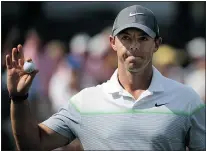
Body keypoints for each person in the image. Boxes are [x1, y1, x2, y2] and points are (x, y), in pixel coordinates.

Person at [6, 5, 205, 151]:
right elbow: (32, 144)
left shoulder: (187, 100)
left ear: (156, 44)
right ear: (112, 43)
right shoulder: (85, 102)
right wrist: (18, 98)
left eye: (143, 38)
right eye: (126, 37)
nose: (134, 46)